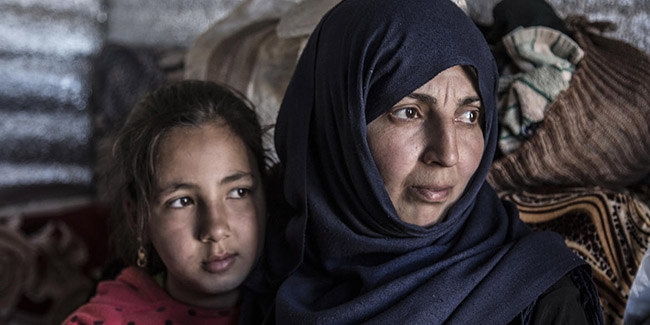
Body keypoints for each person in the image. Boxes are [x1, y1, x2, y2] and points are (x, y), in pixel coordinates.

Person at [268, 0, 604, 323]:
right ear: (336, 126)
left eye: (469, 115)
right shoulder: (259, 260)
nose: (448, 155)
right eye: (409, 113)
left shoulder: (540, 298)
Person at [62, 80, 269, 325]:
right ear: (137, 217)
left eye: (238, 192)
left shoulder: (300, 297)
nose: (215, 229)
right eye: (182, 201)